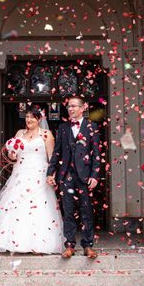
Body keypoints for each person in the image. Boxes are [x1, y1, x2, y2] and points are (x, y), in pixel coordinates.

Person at [0, 106, 63, 254]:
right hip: (20, 173)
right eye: (27, 117)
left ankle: (38, 243)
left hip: (39, 174)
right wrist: (13, 155)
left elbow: (52, 157)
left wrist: (51, 175)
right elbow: (14, 155)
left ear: (39, 119)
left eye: (32, 117)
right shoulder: (20, 133)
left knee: (39, 205)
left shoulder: (46, 135)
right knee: (14, 203)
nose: (29, 120)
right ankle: (11, 240)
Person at [47, 96, 102, 259]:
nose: (70, 109)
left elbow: (96, 153)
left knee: (86, 211)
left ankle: (88, 245)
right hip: (66, 176)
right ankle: (69, 245)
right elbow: (57, 152)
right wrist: (50, 172)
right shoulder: (62, 128)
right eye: (69, 106)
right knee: (68, 211)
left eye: (73, 106)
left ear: (82, 108)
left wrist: (95, 175)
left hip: (84, 176)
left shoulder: (92, 127)